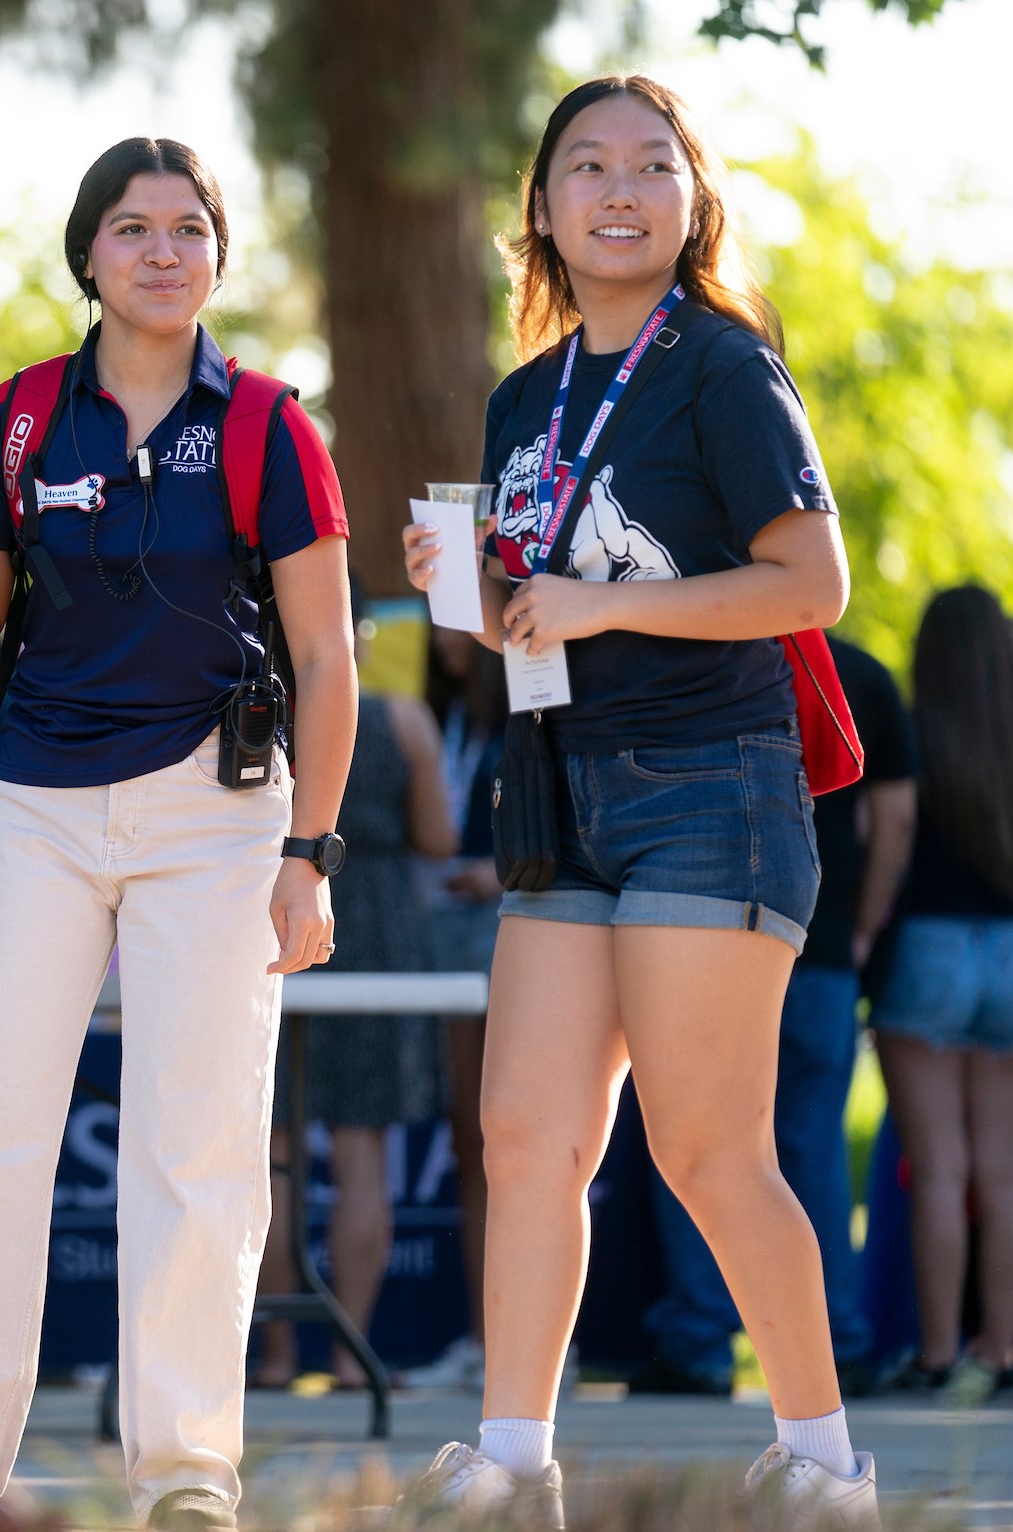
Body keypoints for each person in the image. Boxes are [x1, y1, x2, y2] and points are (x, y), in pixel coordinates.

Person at [403, 76, 877, 1523]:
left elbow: (811, 584)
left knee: (702, 1149)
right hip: (557, 791)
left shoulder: (721, 368)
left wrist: (594, 612)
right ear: (540, 208)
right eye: (585, 166)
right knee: (527, 1141)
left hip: (709, 787)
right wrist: (479, 603)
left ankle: (821, 1464)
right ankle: (509, 1462)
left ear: (690, 203)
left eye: (650, 166)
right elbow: (543, 595)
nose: (617, 188)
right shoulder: (520, 396)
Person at [0, 138, 356, 1532]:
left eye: (188, 228)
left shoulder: (270, 424)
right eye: (131, 228)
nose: (160, 251)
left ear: (217, 253)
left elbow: (327, 660)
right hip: (34, 802)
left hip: (219, 810)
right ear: (85, 254)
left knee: (196, 1146)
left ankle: (186, 1475)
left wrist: (307, 853)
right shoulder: (16, 418)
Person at [636, 632, 912, 1397]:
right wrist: (862, 922)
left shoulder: (701, 650)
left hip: (716, 932)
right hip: (819, 945)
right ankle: (840, 1342)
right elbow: (895, 818)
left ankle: (699, 1340)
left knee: (694, 1144)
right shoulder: (863, 674)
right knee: (810, 1149)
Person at [255, 584, 457, 1392]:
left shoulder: (255, 716)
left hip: (267, 917)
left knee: (265, 1154)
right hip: (372, 927)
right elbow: (439, 839)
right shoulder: (403, 719)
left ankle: (269, 1358)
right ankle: (349, 1355)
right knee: (361, 1151)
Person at [870, 585, 1013, 1405]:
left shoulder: (917, 738)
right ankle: (999, 1349)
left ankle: (935, 1355)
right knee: (999, 1171)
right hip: (1006, 954)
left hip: (927, 950)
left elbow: (886, 842)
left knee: (938, 1169)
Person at [403, 627, 510, 1393]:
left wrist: (500, 874)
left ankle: (527, 1346)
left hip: (508, 931)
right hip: (439, 932)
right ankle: (486, 1338)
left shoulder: (528, 713)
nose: (447, 632)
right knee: (472, 1144)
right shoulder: (437, 720)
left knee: (515, 1143)